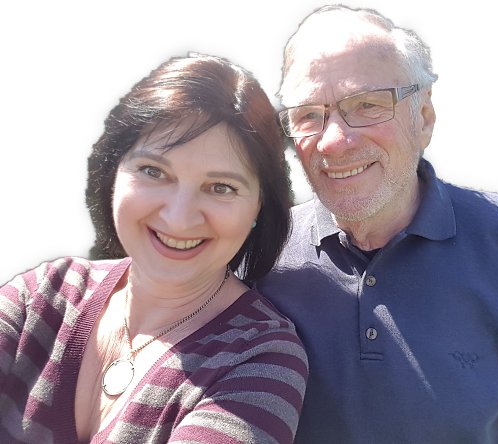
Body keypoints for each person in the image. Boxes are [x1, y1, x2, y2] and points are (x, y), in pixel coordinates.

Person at [257, 5, 498, 443]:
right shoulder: (259, 254)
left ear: (423, 117)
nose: (334, 141)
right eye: (309, 115)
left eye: (367, 105)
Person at [0, 53, 308, 443]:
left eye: (221, 188)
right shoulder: (44, 294)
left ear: (259, 207)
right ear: (114, 171)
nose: (179, 218)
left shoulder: (260, 359)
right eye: (154, 171)